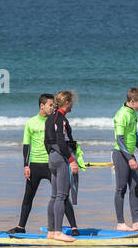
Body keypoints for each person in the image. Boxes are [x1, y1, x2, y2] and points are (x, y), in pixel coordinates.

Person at [12, 94, 86, 234]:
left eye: (53, 105)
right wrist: (25, 165)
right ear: (42, 106)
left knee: (62, 195)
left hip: (50, 163)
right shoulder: (31, 122)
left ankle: (74, 227)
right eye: (50, 105)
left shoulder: (53, 121)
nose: (53, 108)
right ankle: (21, 227)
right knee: (29, 196)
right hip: (35, 164)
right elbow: (26, 145)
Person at [112, 88, 138, 231]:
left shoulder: (133, 114)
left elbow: (134, 135)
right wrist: (129, 158)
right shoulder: (122, 114)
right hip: (120, 155)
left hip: (129, 155)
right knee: (121, 188)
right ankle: (120, 223)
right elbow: (120, 139)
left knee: (135, 186)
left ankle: (136, 222)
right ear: (133, 101)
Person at [44, 91, 80, 243]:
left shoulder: (50, 118)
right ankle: (58, 232)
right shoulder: (61, 119)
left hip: (52, 157)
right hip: (61, 158)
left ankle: (51, 231)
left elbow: (47, 141)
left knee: (54, 196)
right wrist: (71, 160)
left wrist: (52, 156)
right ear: (66, 103)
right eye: (71, 102)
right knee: (61, 195)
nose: (72, 105)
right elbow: (60, 141)